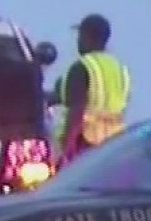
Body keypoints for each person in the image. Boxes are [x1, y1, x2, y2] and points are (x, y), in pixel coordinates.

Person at [54, 13, 132, 165]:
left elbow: (76, 112)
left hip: (84, 145)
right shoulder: (120, 69)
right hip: (114, 146)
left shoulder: (83, 67)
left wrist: (64, 152)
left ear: (86, 37)